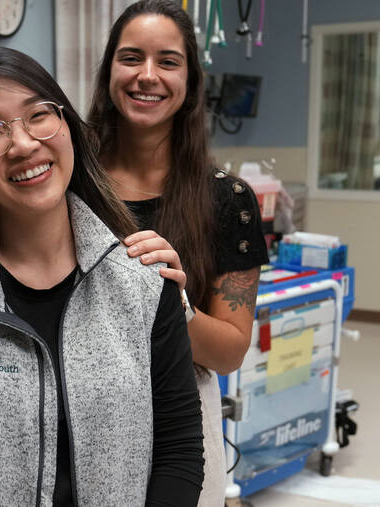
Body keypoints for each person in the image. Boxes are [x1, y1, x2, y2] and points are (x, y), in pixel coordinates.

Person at [0, 46, 204, 506]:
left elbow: (178, 452)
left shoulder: (144, 282)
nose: (24, 144)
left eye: (38, 115)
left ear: (67, 128)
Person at [88, 1, 269, 504]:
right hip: (78, 412)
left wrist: (173, 304)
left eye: (168, 61)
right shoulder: (70, 184)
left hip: (182, 425)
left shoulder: (228, 200)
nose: (147, 76)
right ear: (108, 71)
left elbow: (231, 350)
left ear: (190, 80)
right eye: (131, 58)